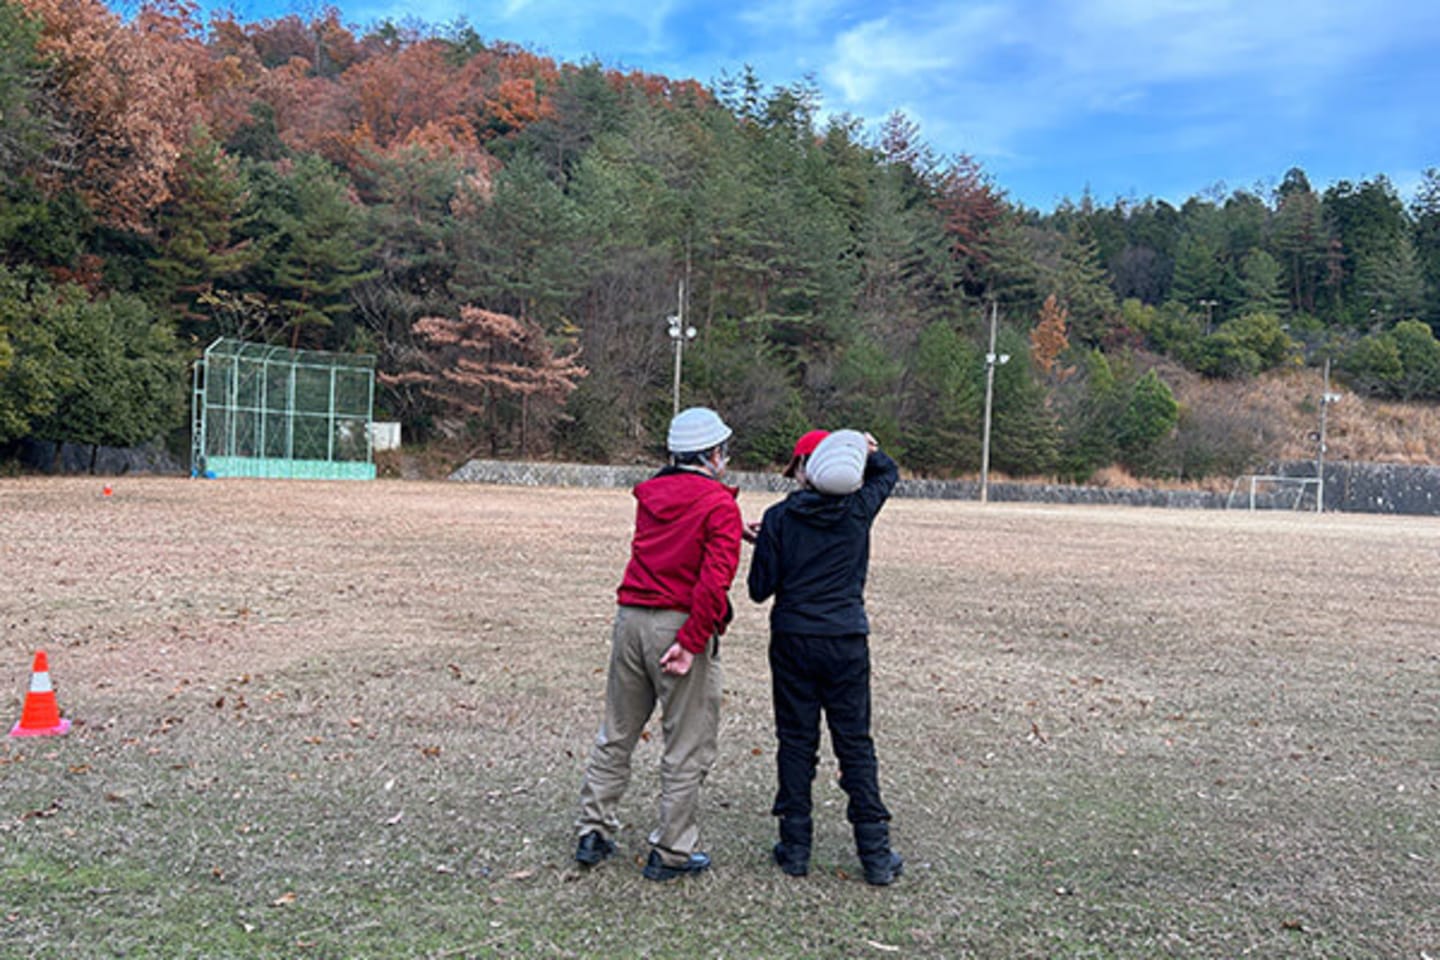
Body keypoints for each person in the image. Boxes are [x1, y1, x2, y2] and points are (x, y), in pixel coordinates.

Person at [574, 406, 744, 882]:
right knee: (685, 744)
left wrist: (734, 523)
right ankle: (672, 851)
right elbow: (713, 582)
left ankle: (594, 830)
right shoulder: (718, 505)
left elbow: (681, 530)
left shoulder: (653, 495)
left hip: (630, 619)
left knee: (618, 731)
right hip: (678, 624)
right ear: (713, 454)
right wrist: (691, 643)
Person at [747, 428, 904, 885]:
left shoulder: (778, 518)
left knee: (796, 741)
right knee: (854, 742)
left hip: (793, 637)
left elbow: (760, 591)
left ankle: (796, 848)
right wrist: (868, 449)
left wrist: (771, 547)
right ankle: (875, 854)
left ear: (804, 469)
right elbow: (888, 472)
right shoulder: (857, 512)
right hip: (845, 637)